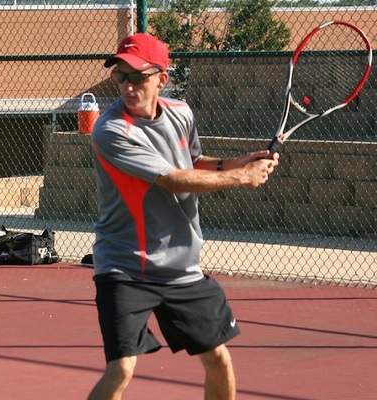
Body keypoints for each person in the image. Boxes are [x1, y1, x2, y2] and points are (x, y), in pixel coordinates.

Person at [88, 33, 279, 400]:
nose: (127, 86)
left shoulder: (181, 113)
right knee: (122, 368)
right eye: (121, 77)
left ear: (162, 78)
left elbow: (191, 163)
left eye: (138, 76)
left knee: (219, 360)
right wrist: (239, 177)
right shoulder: (110, 130)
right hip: (126, 268)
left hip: (181, 269)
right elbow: (172, 180)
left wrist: (234, 163)